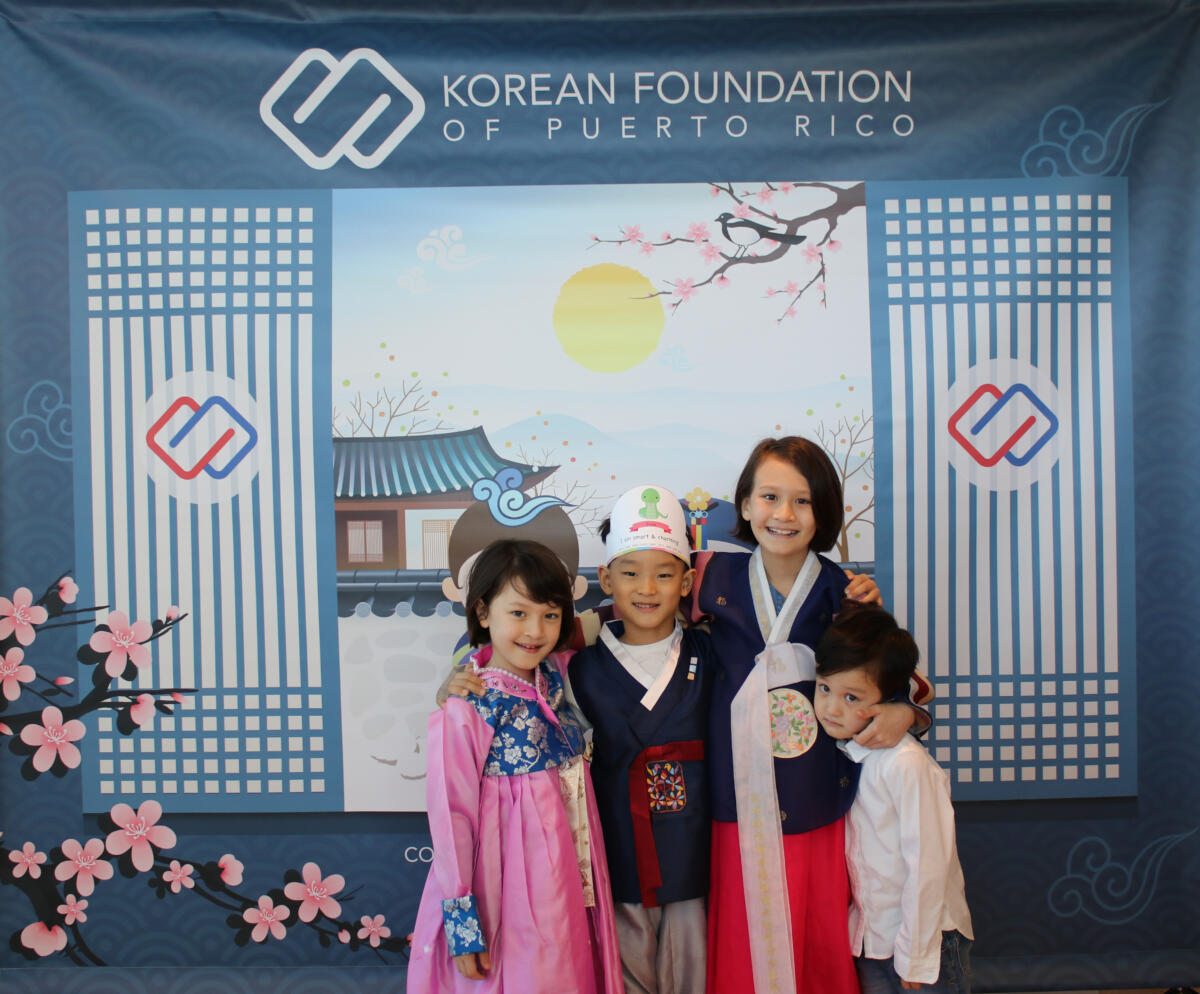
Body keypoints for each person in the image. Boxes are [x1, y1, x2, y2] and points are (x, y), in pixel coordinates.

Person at [688, 436, 933, 994]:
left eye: (802, 501)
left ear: (823, 512)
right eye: (769, 496)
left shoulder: (845, 594)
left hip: (817, 791)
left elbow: (894, 679)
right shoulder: (707, 579)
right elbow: (634, 615)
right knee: (743, 939)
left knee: (816, 931)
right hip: (734, 795)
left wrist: (905, 711)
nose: (784, 514)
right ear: (745, 504)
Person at [406, 539, 622, 994]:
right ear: (483, 612)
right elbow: (451, 817)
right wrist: (462, 923)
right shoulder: (469, 704)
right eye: (518, 613)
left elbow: (619, 617)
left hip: (570, 872)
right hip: (505, 883)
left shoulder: (558, 673)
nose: (535, 630)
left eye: (551, 615)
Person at [567, 485, 714, 994]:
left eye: (665, 574)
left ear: (687, 582)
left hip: (694, 841)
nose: (646, 588)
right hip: (618, 837)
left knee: (694, 962)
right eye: (629, 573)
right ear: (606, 579)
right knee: (626, 964)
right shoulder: (581, 667)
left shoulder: (709, 654)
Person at [813, 601, 974, 993]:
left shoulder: (906, 763)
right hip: (873, 939)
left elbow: (928, 864)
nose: (831, 708)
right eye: (824, 688)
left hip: (925, 943)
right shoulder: (846, 751)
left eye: (852, 698)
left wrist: (915, 955)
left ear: (890, 699)